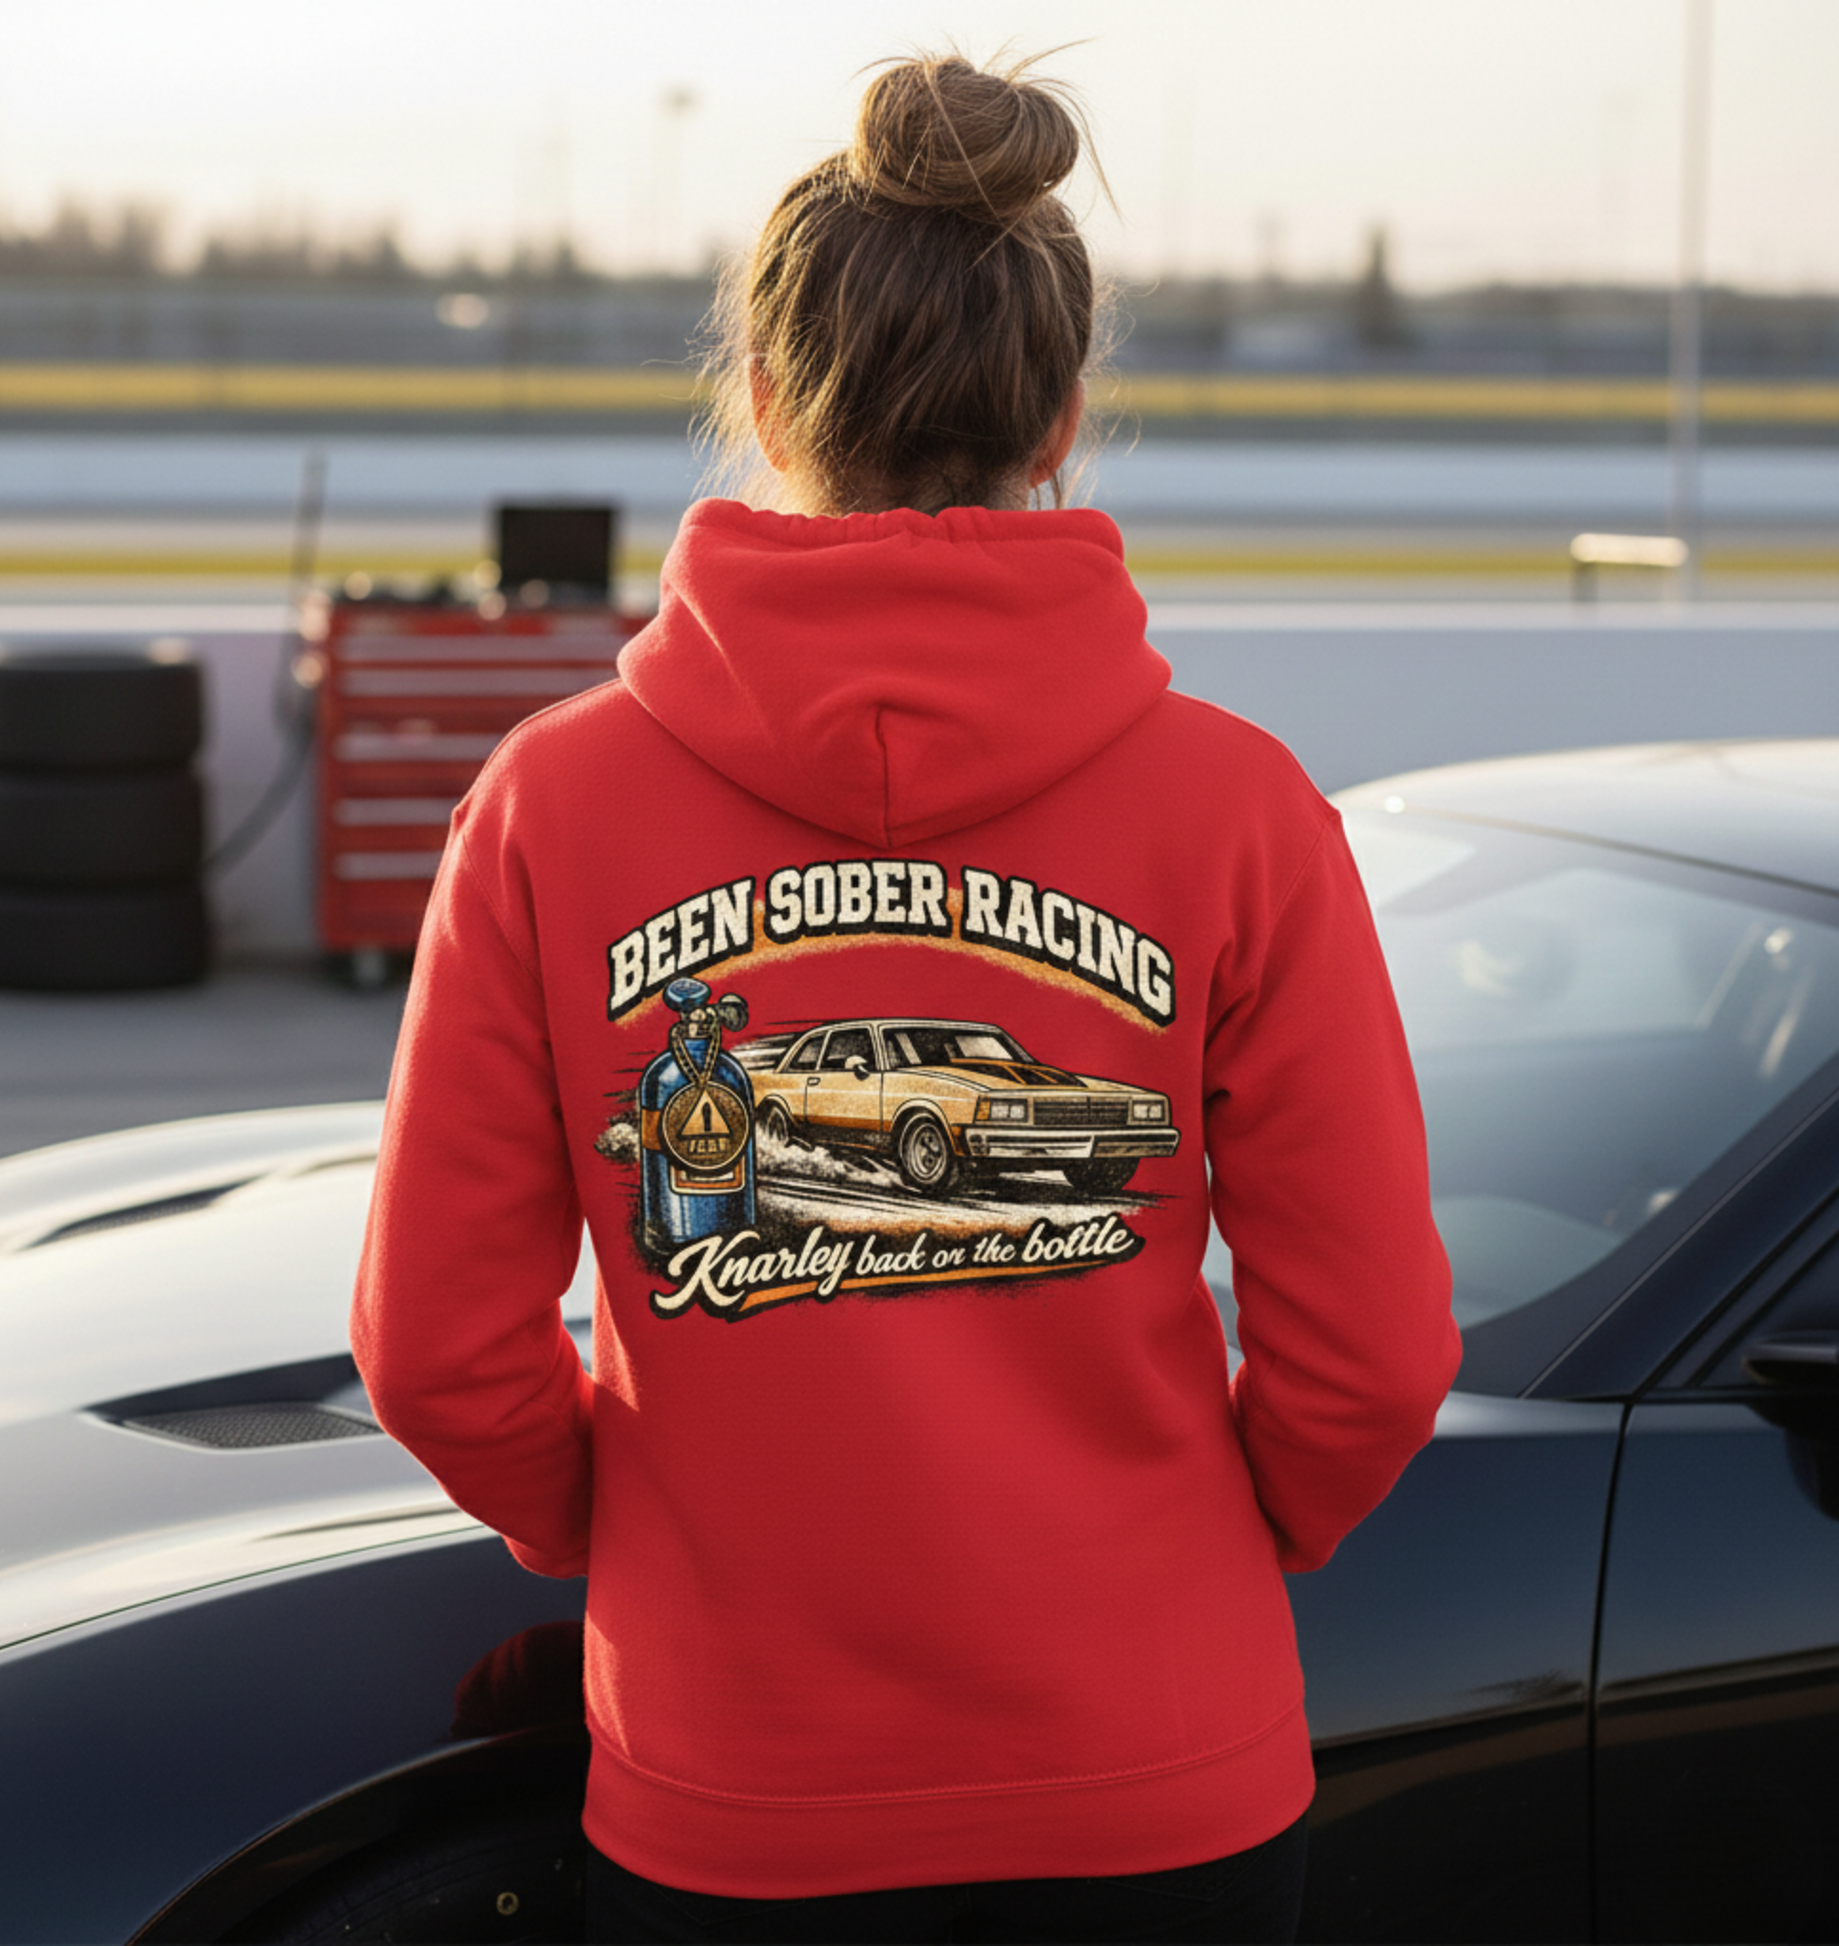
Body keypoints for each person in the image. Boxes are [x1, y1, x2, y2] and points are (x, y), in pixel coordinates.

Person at [352, 50, 1459, 1946]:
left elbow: (439, 1349)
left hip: (737, 1785)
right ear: (1060, 420)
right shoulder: (1241, 809)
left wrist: (614, 1529)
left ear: (767, 400)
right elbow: (1368, 1356)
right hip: (1159, 1777)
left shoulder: (549, 804)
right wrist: (1206, 1537)